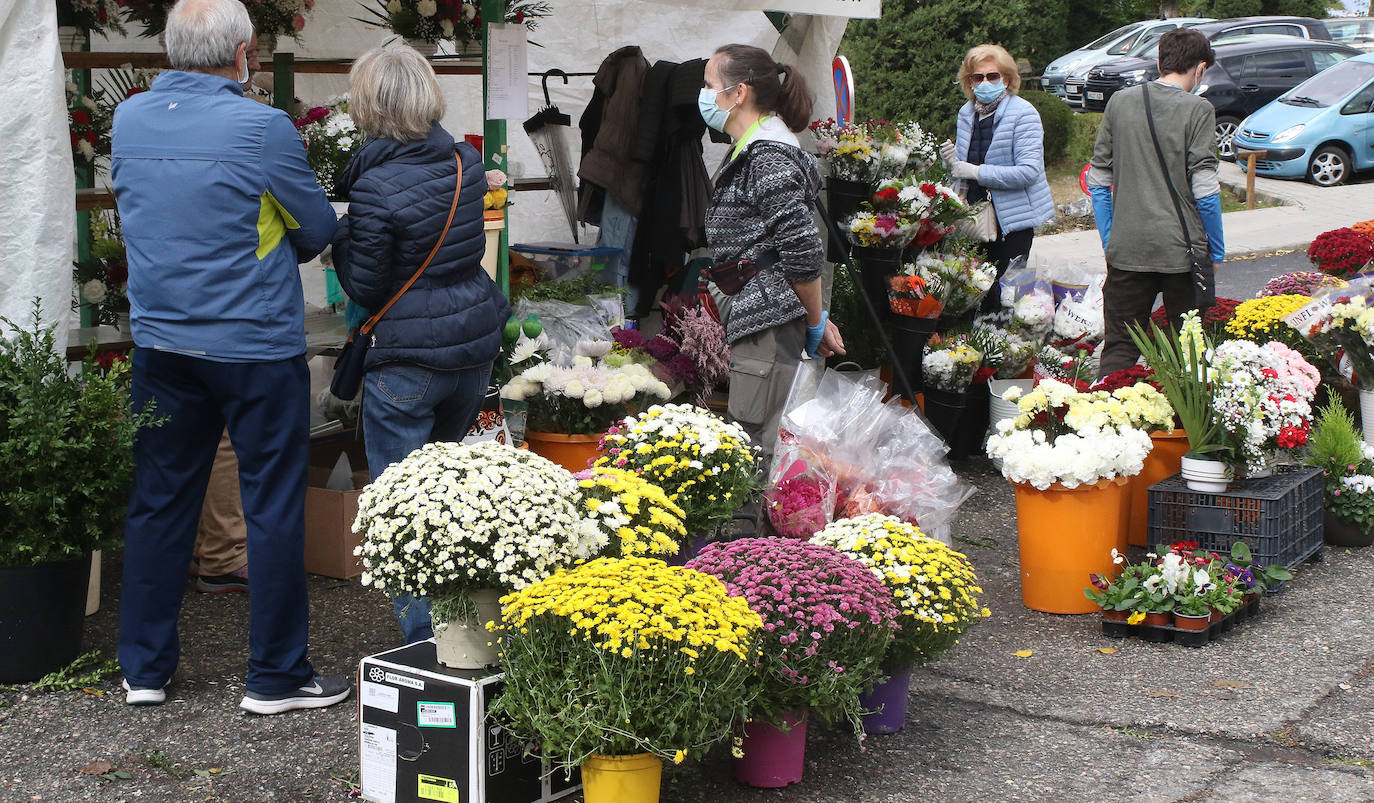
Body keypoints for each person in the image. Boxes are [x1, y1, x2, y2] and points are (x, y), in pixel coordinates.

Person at [112, 0, 348, 714]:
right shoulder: (261, 126)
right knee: (271, 504)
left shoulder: (129, 120)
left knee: (158, 502)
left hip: (162, 341)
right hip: (253, 343)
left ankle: (145, 670)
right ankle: (275, 676)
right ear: (243, 52)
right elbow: (313, 231)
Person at [332, 44, 509, 644]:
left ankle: (425, 646)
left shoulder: (376, 188)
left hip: (406, 360)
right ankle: (467, 630)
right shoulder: (464, 162)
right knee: (449, 498)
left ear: (370, 107)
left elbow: (365, 282)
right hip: (469, 347)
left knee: (405, 513)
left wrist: (341, 237)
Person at [701, 43, 844, 490]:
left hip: (768, 318)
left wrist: (816, 321)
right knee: (762, 438)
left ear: (737, 92)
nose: (703, 96)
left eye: (709, 86)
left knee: (755, 444)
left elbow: (801, 252)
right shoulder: (755, 149)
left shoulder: (768, 156)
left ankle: (756, 551)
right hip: (768, 312)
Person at [1088, 27, 1225, 377]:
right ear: (1200, 68)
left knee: (1119, 345)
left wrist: (1110, 238)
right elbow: (1205, 189)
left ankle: (1105, 424)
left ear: (1160, 62)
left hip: (1127, 247)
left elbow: (1098, 179)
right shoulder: (1199, 109)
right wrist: (1216, 251)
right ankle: (1180, 426)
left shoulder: (1120, 102)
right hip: (1181, 251)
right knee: (1187, 350)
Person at [941, 44, 1055, 312]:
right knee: (975, 292)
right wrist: (952, 164)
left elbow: (1028, 171)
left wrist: (975, 171)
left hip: (1012, 221)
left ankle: (1006, 349)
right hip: (976, 217)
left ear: (1007, 78)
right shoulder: (966, 113)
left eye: (993, 76)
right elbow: (965, 165)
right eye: (977, 77)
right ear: (969, 81)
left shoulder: (1024, 113)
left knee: (1006, 297)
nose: (985, 82)